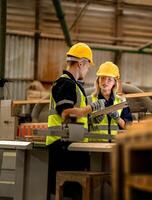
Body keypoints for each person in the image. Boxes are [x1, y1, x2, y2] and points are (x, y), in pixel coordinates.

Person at [46, 42, 94, 199]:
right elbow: (66, 113)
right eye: (87, 67)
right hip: (63, 147)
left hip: (71, 145)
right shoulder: (65, 83)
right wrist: (91, 108)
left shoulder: (72, 84)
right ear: (81, 63)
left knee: (72, 193)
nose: (87, 71)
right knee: (68, 194)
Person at [62, 61, 133, 142]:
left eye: (109, 79)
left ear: (114, 83)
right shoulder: (88, 100)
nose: (105, 82)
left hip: (114, 145)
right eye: (102, 78)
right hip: (94, 145)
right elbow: (79, 124)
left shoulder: (121, 102)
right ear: (98, 80)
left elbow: (128, 127)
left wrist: (117, 118)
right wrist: (92, 121)